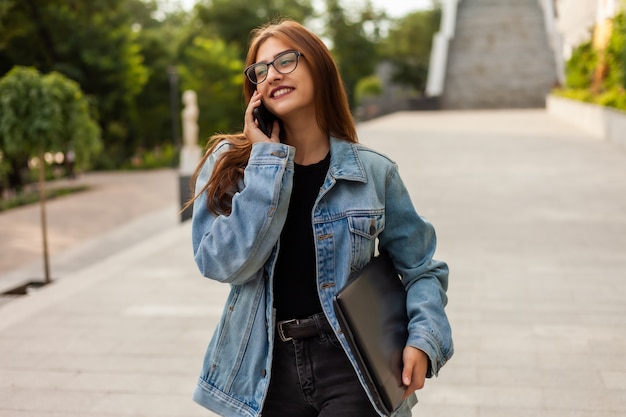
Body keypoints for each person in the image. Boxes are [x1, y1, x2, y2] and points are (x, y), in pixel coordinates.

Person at [187, 19, 453, 417]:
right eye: (260, 70)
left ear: (318, 67)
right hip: (264, 370)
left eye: (286, 61)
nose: (272, 74)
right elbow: (221, 263)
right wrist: (267, 164)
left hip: (353, 363)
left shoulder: (373, 173)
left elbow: (421, 268)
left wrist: (423, 338)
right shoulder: (232, 166)